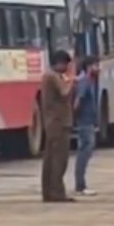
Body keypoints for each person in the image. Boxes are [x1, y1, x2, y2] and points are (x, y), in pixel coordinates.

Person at [40, 50, 75, 203]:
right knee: (59, 159)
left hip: (52, 122)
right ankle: (56, 192)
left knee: (50, 157)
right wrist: (72, 81)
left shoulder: (48, 76)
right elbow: (64, 93)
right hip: (58, 123)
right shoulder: (53, 76)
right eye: (66, 64)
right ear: (60, 63)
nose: (67, 67)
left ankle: (48, 191)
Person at [73, 56, 101, 197]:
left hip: (87, 121)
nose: (98, 68)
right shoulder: (84, 82)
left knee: (86, 151)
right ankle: (80, 185)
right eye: (96, 65)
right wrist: (76, 116)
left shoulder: (88, 81)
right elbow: (78, 101)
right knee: (84, 151)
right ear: (89, 67)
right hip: (85, 122)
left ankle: (81, 184)